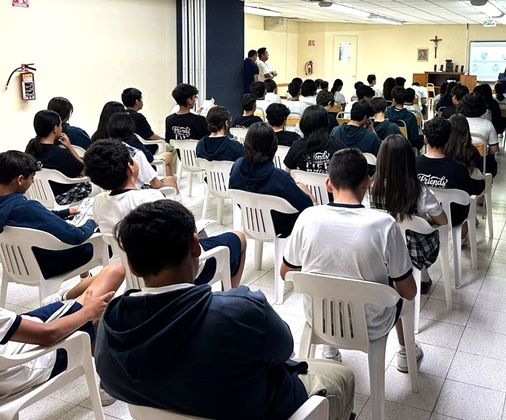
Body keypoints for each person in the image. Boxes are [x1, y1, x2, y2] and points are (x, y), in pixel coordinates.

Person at [95, 199, 354, 420]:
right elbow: (284, 349)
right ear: (195, 245)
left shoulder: (111, 324)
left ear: (132, 266)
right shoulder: (239, 312)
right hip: (269, 409)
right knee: (341, 375)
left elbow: (113, 383)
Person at [281, 148, 421, 371]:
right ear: (367, 183)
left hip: (319, 318)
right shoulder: (384, 225)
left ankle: (329, 351)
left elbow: (286, 273)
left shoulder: (307, 217)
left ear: (328, 184)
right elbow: (409, 292)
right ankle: (406, 353)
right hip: (371, 325)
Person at [0, 227, 124, 404]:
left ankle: (63, 302)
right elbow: (48, 335)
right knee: (114, 273)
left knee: (94, 293)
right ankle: (112, 380)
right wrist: (88, 312)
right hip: (24, 364)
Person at [84, 139, 246, 288]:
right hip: (180, 272)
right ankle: (231, 293)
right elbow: (187, 232)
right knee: (238, 238)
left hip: (138, 276)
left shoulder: (98, 203)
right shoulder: (151, 198)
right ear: (130, 167)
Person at [0, 151, 99, 279]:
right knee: (94, 243)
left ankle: (86, 281)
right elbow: (77, 236)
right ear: (20, 179)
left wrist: (64, 213)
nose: (32, 182)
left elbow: (37, 216)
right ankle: (88, 283)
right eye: (32, 177)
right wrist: (92, 221)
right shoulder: (27, 208)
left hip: (16, 266)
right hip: (46, 266)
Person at [371, 135, 448, 294]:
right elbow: (443, 220)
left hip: (379, 247)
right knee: (422, 227)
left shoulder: (370, 189)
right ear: (409, 160)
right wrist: (422, 221)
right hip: (414, 251)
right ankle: (423, 278)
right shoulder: (420, 191)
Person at [229, 123, 313, 237]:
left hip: (251, 221)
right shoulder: (280, 178)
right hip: (281, 229)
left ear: (247, 143)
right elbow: (307, 206)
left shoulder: (236, 166)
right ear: (273, 146)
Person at [415, 118, 485, 229]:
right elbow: (468, 194)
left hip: (421, 215)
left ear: (425, 140)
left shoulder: (412, 164)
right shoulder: (459, 169)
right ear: (448, 140)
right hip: (453, 219)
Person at [25, 110, 92, 206]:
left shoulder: (31, 147)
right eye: (60, 125)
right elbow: (85, 172)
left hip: (37, 196)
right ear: (55, 129)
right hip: (59, 198)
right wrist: (69, 147)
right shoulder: (61, 153)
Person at [108, 113, 179, 192]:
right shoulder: (135, 153)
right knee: (171, 181)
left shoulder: (104, 150)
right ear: (131, 129)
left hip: (112, 190)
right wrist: (164, 185)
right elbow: (156, 184)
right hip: (136, 191)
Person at [284, 106, 346, 173]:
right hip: (331, 179)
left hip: (303, 180)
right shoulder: (338, 145)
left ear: (304, 123)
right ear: (326, 122)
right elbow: (347, 170)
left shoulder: (297, 146)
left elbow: (288, 173)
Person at [459, 93, 499, 177]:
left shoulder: (456, 122)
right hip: (480, 166)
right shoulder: (488, 124)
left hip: (459, 162)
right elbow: (494, 149)